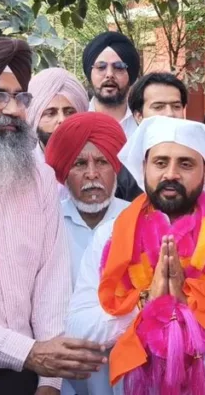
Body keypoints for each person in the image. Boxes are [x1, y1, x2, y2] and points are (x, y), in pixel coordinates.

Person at [66, 116, 205, 395]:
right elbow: (79, 328)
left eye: (186, 164)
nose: (171, 174)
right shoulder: (112, 235)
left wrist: (193, 300)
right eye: (160, 162)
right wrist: (147, 303)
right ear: (144, 167)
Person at [0, 37, 106, 395]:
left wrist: (50, 383)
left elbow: (52, 280)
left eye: (20, 98)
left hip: (26, 379)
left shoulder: (38, 176)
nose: (13, 109)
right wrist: (30, 352)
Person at [45, 112, 129, 285]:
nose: (92, 174)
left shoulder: (137, 218)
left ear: (115, 169)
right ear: (65, 173)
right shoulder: (47, 222)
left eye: (102, 162)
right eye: (79, 164)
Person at [114, 72, 190, 202]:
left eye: (176, 106)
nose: (170, 114)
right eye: (159, 107)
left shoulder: (198, 158)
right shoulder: (122, 170)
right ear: (139, 116)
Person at [83, 31, 140, 139]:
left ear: (130, 74)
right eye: (101, 67)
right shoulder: (76, 121)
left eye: (119, 67)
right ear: (90, 74)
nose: (109, 74)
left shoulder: (142, 123)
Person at [27, 67, 89, 162]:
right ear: (35, 118)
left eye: (69, 112)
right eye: (51, 113)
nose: (62, 120)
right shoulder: (23, 167)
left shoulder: (96, 164)